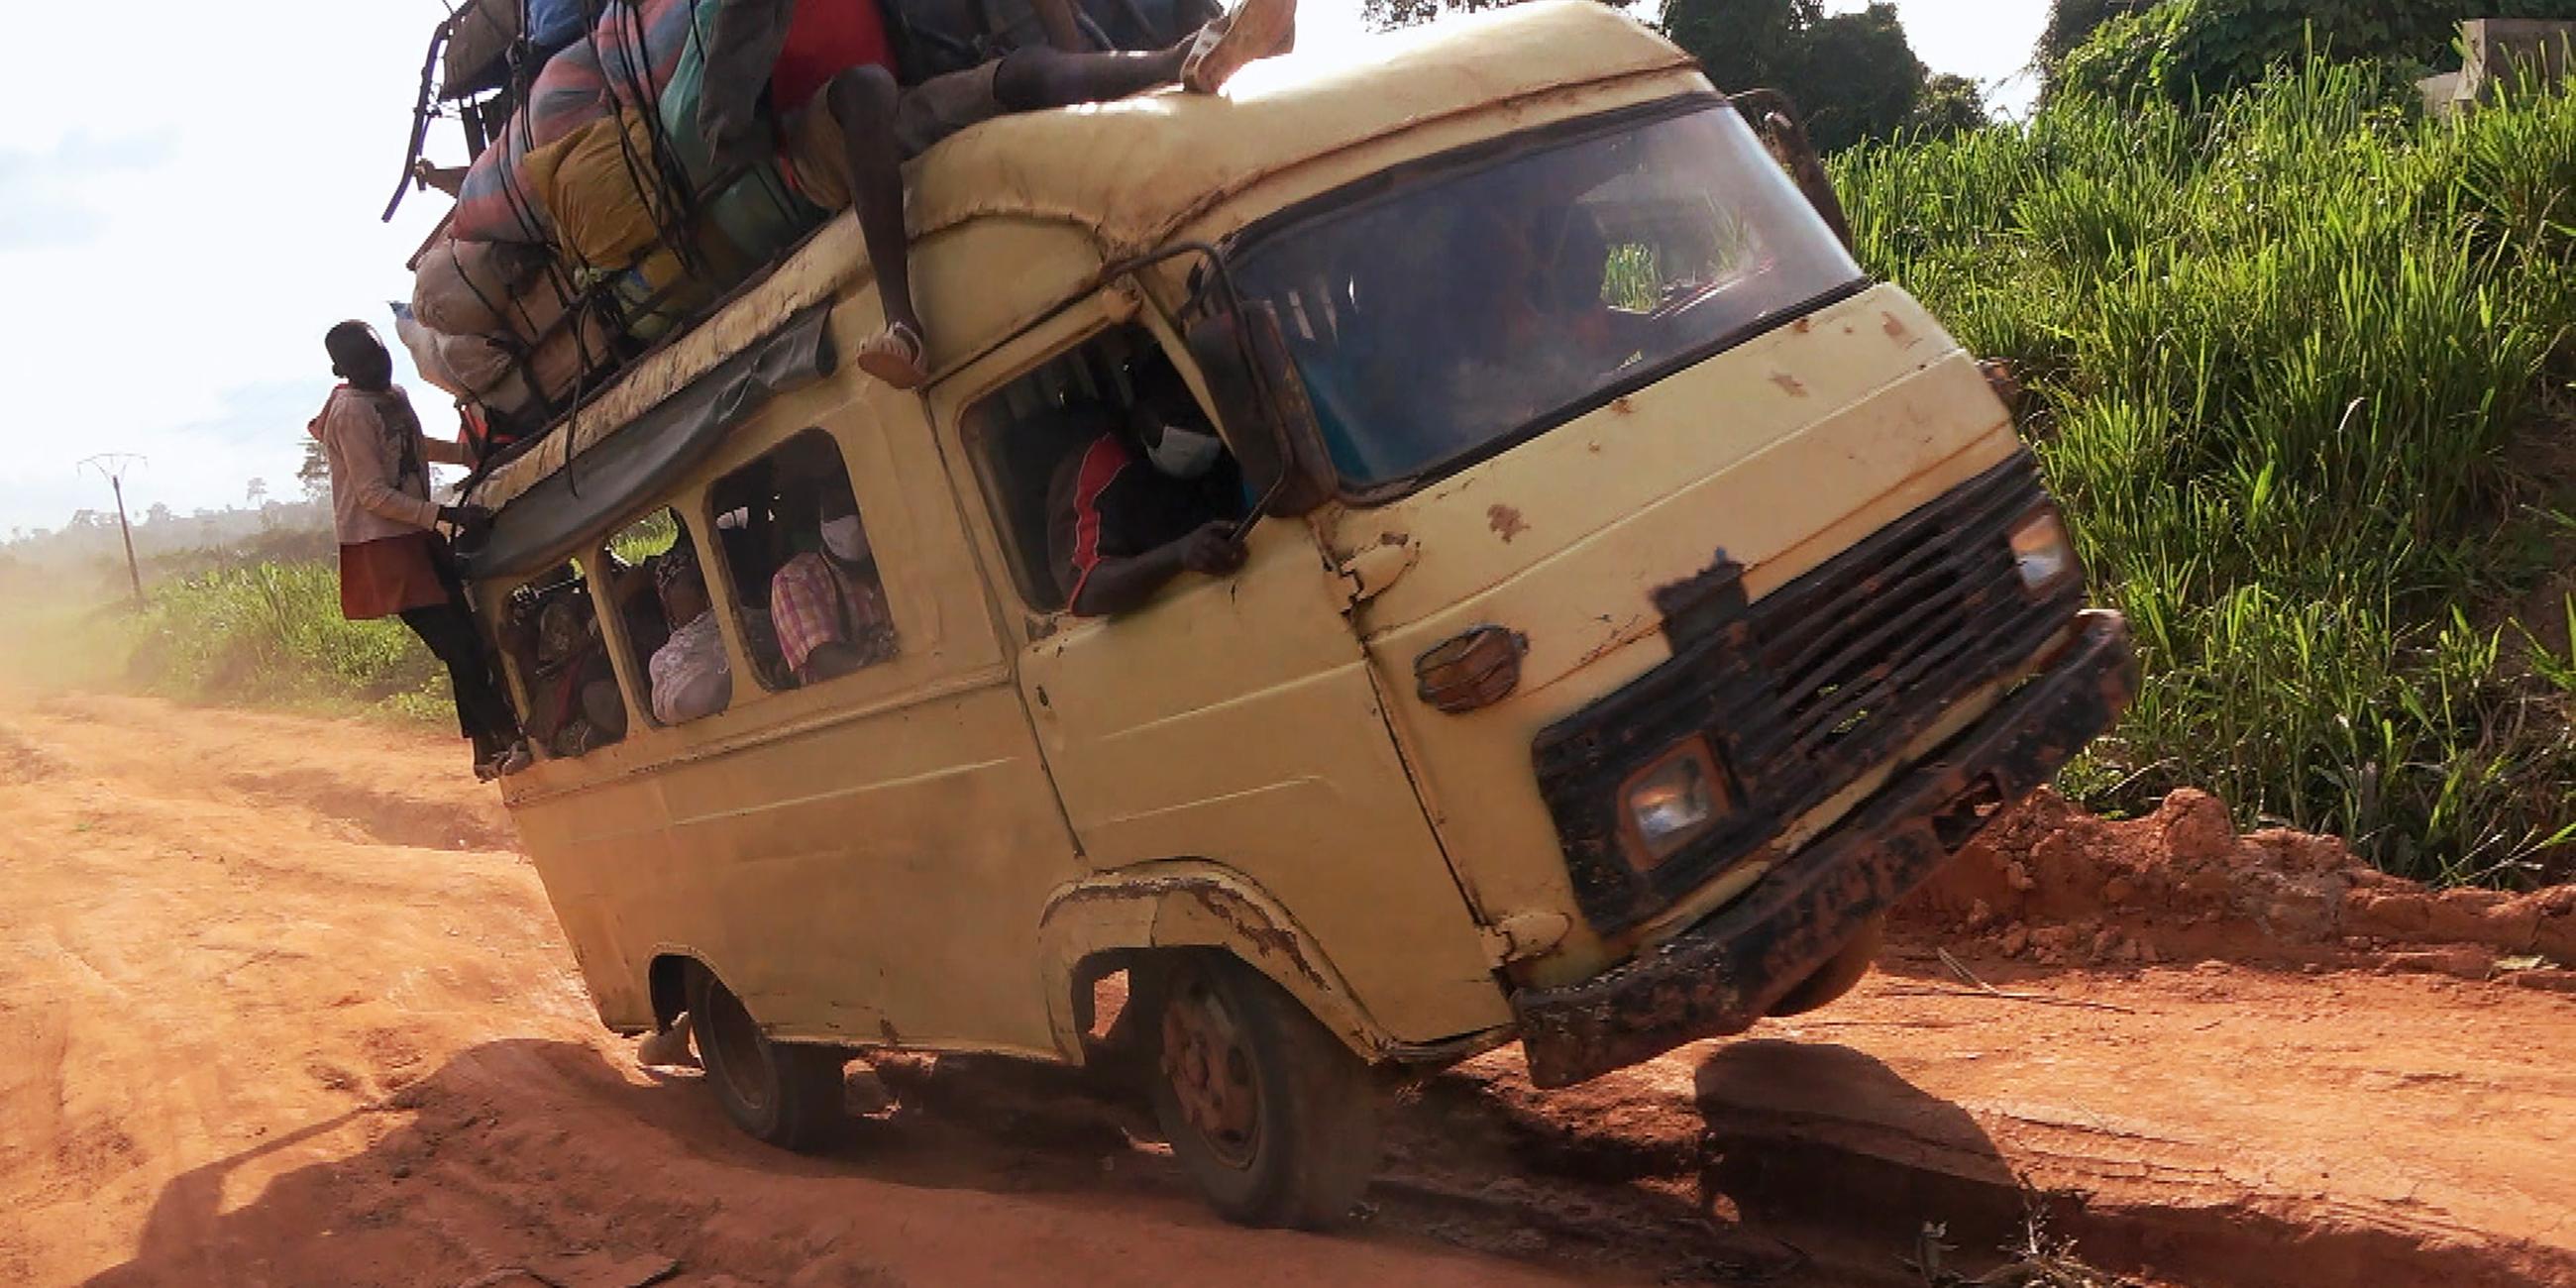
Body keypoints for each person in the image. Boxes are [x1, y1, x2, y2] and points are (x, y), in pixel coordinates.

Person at [699, 0, 1297, 388]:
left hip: (889, 109)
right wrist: (780, 136)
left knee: (1025, 70)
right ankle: (902, 323)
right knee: (863, 88)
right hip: (813, 144)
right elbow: (720, 128)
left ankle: (1187, 56)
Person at [311, 321, 532, 780]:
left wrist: (467, 455)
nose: (377, 366)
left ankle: (488, 750)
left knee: (467, 641)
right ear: (340, 369)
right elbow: (371, 493)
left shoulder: (393, 396)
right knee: (459, 645)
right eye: (364, 361)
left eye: (380, 355)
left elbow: (412, 446)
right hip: (382, 547)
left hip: (415, 534)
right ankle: (505, 737)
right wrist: (444, 516)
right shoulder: (351, 413)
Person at [1047, 355, 1246, 617]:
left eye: (1201, 421)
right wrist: (1179, 554)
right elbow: (1088, 589)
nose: (1196, 434)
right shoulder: (1097, 467)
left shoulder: (1229, 436)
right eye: (1181, 421)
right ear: (1142, 415)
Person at [769, 478, 900, 685]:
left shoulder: (899, 559)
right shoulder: (795, 579)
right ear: (822, 518)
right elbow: (825, 660)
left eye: (854, 507)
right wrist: (874, 659)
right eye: (838, 511)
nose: (852, 522)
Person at [647, 546, 735, 724]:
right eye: (692, 582)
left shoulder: (742, 623)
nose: (702, 587)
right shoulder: (668, 658)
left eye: (703, 579)